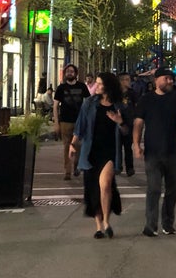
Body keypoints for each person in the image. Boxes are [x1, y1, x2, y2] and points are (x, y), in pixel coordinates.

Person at [133, 67, 176, 237]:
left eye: (171, 79)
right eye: (166, 78)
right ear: (156, 80)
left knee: (172, 190)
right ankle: (150, 225)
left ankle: (168, 223)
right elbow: (138, 123)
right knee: (153, 188)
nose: (170, 81)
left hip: (174, 151)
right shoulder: (146, 99)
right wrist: (136, 144)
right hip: (152, 152)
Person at [70, 72, 130, 239]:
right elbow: (80, 126)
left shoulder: (119, 106)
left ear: (108, 86)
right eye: (96, 83)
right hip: (91, 151)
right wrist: (73, 144)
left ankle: (107, 222)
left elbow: (126, 131)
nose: (96, 86)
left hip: (110, 151)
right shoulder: (89, 103)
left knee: (105, 185)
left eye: (100, 84)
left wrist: (120, 122)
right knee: (93, 188)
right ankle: (98, 226)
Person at [53, 64, 90, 180]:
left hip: (79, 121)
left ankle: (77, 166)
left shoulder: (82, 86)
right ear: (65, 74)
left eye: (72, 71)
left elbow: (88, 103)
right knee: (66, 146)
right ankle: (67, 171)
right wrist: (56, 122)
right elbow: (55, 106)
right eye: (67, 71)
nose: (70, 73)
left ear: (76, 73)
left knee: (78, 145)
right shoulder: (61, 88)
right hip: (65, 121)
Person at [118, 72, 137, 176]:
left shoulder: (132, 93)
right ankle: (118, 166)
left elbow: (136, 106)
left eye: (129, 79)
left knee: (128, 147)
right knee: (117, 147)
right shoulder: (115, 93)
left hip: (129, 123)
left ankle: (130, 168)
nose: (129, 81)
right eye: (127, 79)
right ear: (121, 81)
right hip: (117, 123)